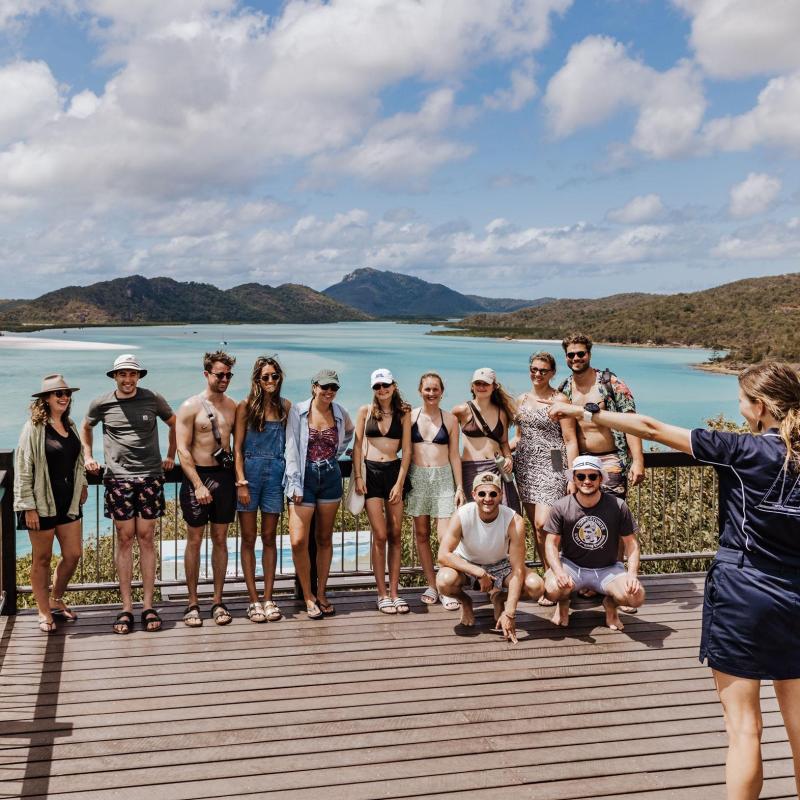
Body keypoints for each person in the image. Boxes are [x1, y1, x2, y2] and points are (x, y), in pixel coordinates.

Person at [548, 362, 800, 799]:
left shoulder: (741, 449)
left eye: (742, 400)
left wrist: (585, 412)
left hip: (742, 593)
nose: (739, 408)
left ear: (759, 407)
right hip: (795, 595)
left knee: (744, 732)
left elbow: (649, 426)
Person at [82, 354, 176, 634]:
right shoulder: (101, 403)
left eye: (132, 374)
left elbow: (175, 423)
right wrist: (88, 456)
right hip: (118, 479)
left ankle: (148, 605)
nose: (127, 379)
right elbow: (85, 427)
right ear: (114, 377)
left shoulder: (153, 398)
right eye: (122, 374)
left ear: (139, 376)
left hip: (150, 476)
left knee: (147, 539)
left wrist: (171, 455)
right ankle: (126, 608)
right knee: (124, 540)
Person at [15, 375, 87, 633]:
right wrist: (27, 506)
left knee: (73, 555)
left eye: (66, 393)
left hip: (68, 503)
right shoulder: (34, 428)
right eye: (58, 394)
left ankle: (56, 598)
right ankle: (44, 610)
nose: (64, 397)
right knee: (42, 558)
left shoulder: (70, 425)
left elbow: (77, 459)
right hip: (41, 504)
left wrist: (83, 485)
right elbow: (23, 467)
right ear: (45, 399)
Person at [436, 472, 544, 642]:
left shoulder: (514, 520)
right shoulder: (462, 515)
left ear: (501, 495)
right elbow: (443, 555)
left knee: (536, 586)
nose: (488, 498)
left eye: (493, 493)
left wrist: (510, 613)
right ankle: (466, 602)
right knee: (444, 581)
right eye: (482, 494)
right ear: (473, 495)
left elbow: (517, 570)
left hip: (501, 564)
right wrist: (478, 572)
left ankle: (500, 597)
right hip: (468, 564)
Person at [542, 455, 645, 630]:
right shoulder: (561, 506)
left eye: (592, 476)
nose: (586, 481)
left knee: (636, 597)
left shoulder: (618, 506)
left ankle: (611, 604)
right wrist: (559, 572)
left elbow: (632, 544)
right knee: (551, 589)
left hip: (608, 570)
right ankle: (563, 602)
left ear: (601, 478)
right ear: (573, 478)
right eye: (581, 476)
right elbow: (551, 544)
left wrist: (632, 574)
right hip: (572, 567)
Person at [284, 368, 354, 619]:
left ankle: (321, 593)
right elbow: (291, 447)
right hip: (303, 477)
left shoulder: (339, 412)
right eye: (324, 387)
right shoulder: (298, 411)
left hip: (331, 476)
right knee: (298, 541)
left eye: (333, 388)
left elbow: (349, 432)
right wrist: (294, 483)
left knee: (324, 538)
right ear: (314, 386)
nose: (329, 392)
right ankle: (307, 594)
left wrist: (337, 455)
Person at [176, 351, 237, 627]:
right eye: (219, 374)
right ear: (206, 374)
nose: (224, 379)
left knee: (221, 539)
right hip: (197, 478)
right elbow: (182, 449)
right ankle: (192, 602)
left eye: (228, 375)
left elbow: (240, 446)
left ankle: (217, 600)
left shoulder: (233, 407)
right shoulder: (189, 406)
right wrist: (198, 484)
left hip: (224, 479)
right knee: (194, 540)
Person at [512, 351, 579, 605]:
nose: (537, 374)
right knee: (537, 528)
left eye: (543, 370)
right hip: (525, 465)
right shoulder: (521, 400)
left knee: (544, 524)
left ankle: (557, 574)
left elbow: (570, 440)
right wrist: (500, 453)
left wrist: (571, 475)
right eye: (534, 369)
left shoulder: (559, 399)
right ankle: (550, 577)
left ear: (552, 373)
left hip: (552, 463)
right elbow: (519, 436)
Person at [233, 356, 290, 623]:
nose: (270, 381)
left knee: (269, 537)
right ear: (257, 379)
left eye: (274, 376)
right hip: (251, 474)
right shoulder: (245, 407)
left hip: (275, 475)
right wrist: (241, 481)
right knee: (248, 538)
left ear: (280, 379)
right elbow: (237, 448)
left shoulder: (286, 407)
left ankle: (269, 598)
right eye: (265, 377)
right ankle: (253, 600)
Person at [352, 369, 412, 614]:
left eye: (385, 385)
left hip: (394, 472)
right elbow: (357, 446)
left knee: (395, 533)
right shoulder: (365, 411)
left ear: (393, 385)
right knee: (380, 535)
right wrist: (357, 475)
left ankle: (395, 592)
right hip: (370, 473)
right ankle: (382, 593)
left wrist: (399, 483)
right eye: (377, 386)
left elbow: (406, 450)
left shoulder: (404, 412)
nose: (382, 390)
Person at [557, 333, 644, 498]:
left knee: (612, 515)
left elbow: (631, 423)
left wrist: (638, 462)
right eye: (571, 355)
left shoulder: (610, 384)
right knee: (583, 519)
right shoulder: (564, 389)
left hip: (610, 462)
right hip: (580, 465)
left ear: (589, 354)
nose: (576, 358)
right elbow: (565, 435)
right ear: (566, 357)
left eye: (581, 354)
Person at [405, 372, 465, 610]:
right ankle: (432, 584)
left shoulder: (450, 419)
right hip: (417, 477)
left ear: (442, 392)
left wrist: (459, 485)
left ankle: (445, 586)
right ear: (420, 390)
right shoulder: (409, 418)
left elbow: (454, 455)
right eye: (427, 389)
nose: (431, 393)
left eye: (435, 389)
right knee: (421, 535)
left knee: (444, 538)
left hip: (442, 479)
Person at [453, 368, 521, 513]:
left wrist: (508, 457)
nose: (481, 387)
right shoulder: (461, 410)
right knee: (471, 513)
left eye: (486, 384)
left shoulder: (500, 412)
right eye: (478, 383)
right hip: (471, 469)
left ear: (494, 386)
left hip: (497, 467)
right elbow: (447, 434)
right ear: (472, 386)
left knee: (507, 512)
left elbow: (503, 442)